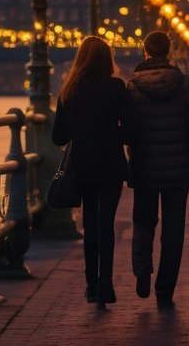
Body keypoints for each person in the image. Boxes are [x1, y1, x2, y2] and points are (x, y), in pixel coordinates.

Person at [125, 31, 189, 310]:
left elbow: (128, 129)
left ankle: (142, 269)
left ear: (146, 51)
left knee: (143, 220)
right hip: (178, 169)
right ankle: (164, 288)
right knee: (173, 229)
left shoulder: (133, 86)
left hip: (145, 167)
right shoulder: (185, 84)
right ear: (170, 51)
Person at [52, 35, 133, 310]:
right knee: (105, 224)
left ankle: (91, 285)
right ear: (106, 59)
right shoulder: (116, 87)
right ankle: (106, 284)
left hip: (82, 165)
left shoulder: (70, 90)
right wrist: (112, 132)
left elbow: (58, 136)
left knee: (89, 225)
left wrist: (81, 131)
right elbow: (131, 129)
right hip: (111, 163)